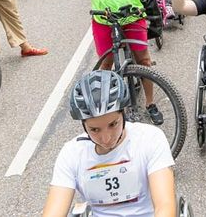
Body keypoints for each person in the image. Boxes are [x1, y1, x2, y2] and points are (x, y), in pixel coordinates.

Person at [42, 70, 175, 217]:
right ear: (83, 125)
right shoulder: (71, 153)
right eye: (94, 129)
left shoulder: (150, 138)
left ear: (123, 113)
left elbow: (165, 205)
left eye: (113, 124)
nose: (106, 138)